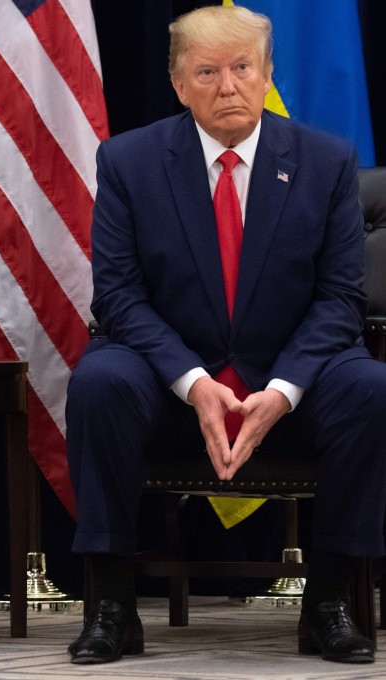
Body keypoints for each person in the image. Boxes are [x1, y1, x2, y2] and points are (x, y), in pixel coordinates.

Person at [65, 5, 386, 666]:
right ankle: (112, 606)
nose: (228, 85)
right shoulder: (129, 161)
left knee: (369, 387)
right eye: (207, 71)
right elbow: (118, 296)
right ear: (179, 84)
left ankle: (329, 601)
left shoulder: (326, 162)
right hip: (171, 391)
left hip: (289, 392)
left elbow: (340, 300)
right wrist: (193, 382)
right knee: (99, 380)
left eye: (243, 67)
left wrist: (285, 389)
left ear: (267, 73)